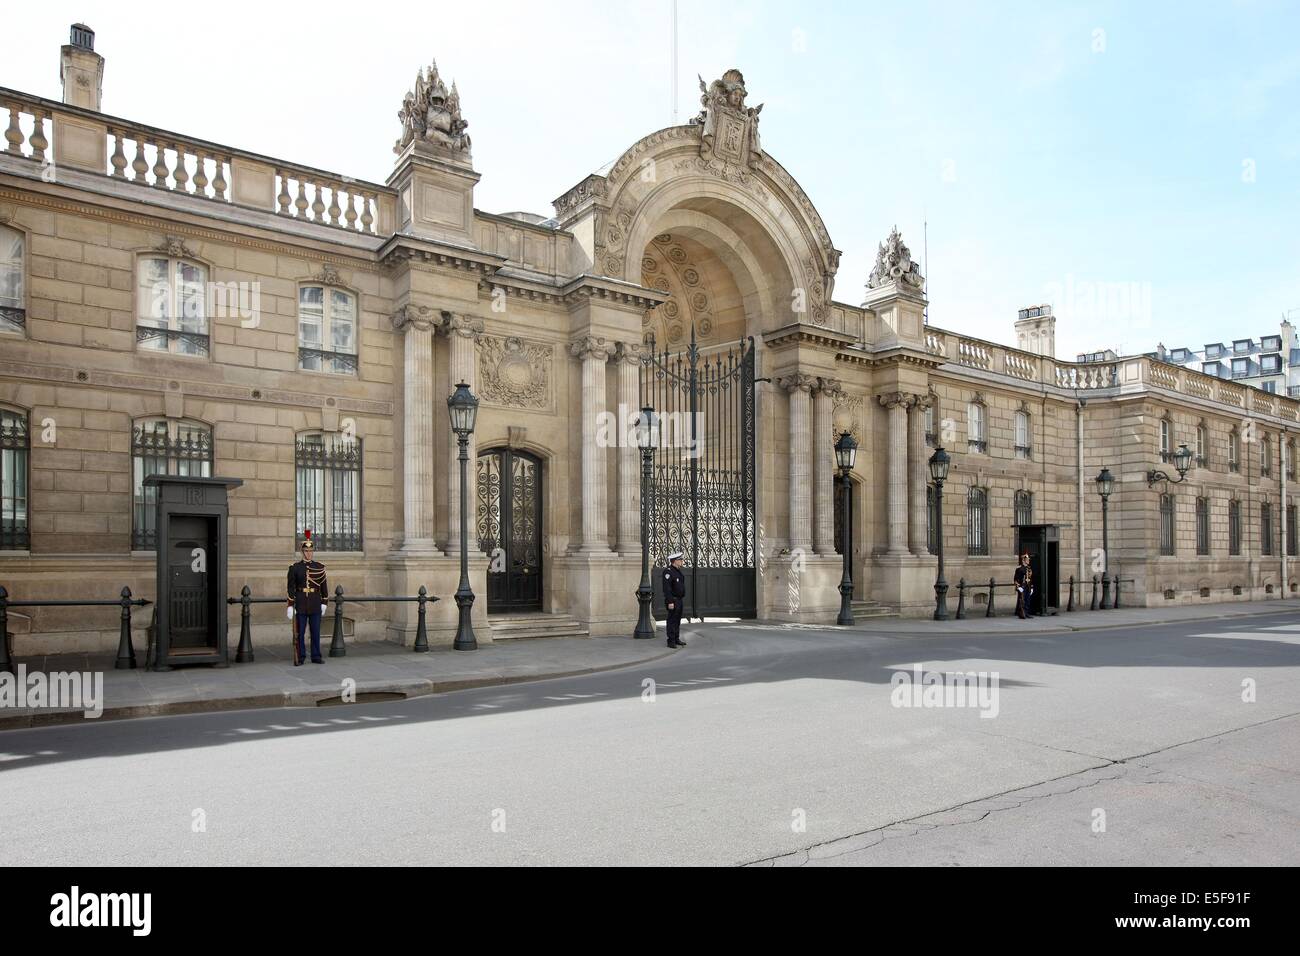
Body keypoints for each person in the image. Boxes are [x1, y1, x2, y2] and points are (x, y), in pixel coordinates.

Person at [287, 529, 329, 664]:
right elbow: (290, 587)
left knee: (315, 632)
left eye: (311, 551)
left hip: (315, 602)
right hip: (300, 603)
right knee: (299, 633)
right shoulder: (295, 568)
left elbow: (323, 586)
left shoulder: (320, 567)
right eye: (306, 551)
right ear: (302, 552)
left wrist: (324, 602)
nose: (309, 554)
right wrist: (290, 605)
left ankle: (316, 656)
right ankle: (300, 656)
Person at [663, 552, 687, 648]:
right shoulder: (668, 572)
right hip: (673, 600)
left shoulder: (678, 571)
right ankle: (671, 641)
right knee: (672, 620)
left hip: (679, 600)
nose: (682, 561)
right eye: (680, 560)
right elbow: (667, 588)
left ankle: (676, 638)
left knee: (677, 620)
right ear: (675, 561)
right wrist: (670, 602)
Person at [1013, 552, 1034, 619]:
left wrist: (1031, 587)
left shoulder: (1029, 568)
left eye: (1028, 560)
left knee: (1027, 600)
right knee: (1022, 601)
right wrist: (1018, 587)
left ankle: (1027, 613)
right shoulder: (1019, 568)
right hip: (1022, 586)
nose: (1028, 561)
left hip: (1028, 586)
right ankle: (1021, 613)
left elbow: (1031, 579)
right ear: (1023, 560)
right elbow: (1016, 579)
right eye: (1027, 560)